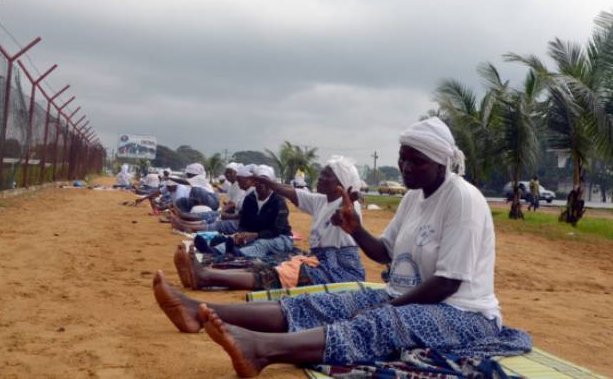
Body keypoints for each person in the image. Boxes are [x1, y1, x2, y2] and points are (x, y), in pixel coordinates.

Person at [152, 117, 531, 377]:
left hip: (463, 313)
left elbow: (448, 283)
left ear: (441, 162)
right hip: (410, 295)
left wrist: (390, 303)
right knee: (326, 302)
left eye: (415, 160)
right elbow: (384, 252)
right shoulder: (414, 198)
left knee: (380, 319)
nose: (405, 167)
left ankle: (263, 350)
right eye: (402, 158)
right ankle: (198, 311)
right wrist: (357, 230)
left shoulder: (462, 200)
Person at [170, 155, 366, 291]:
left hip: (340, 268)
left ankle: (206, 277)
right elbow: (291, 191)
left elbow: (343, 217)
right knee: (271, 266)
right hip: (319, 259)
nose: (320, 178)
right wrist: (269, 183)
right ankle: (206, 272)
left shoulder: (348, 206)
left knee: (276, 274)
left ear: (341, 182)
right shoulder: (321, 200)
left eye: (326, 176)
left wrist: (342, 215)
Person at [172, 164, 255, 235]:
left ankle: (189, 226)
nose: (227, 175)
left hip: (241, 222)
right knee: (212, 215)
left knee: (221, 223)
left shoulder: (250, 193)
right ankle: (185, 221)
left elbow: (242, 214)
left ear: (252, 181)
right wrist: (226, 211)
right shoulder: (241, 189)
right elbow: (234, 206)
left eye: (241, 181)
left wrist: (228, 214)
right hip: (234, 214)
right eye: (226, 172)